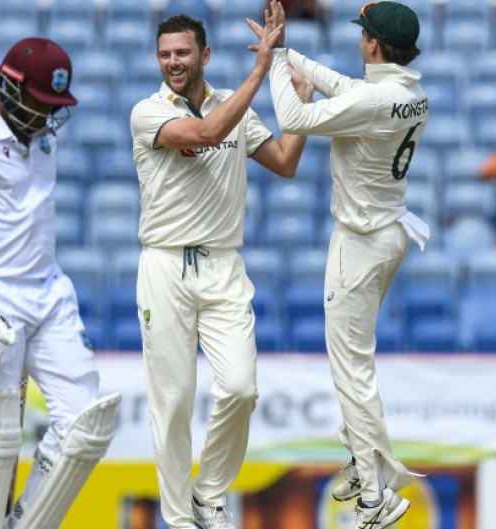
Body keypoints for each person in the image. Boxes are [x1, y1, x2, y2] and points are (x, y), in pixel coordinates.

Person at [130, 8, 307, 529]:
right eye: (165, 54)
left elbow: (285, 161)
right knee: (174, 399)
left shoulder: (236, 106)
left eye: (182, 53)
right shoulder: (147, 111)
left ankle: (209, 495)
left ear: (204, 55)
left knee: (241, 388)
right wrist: (263, 70)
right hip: (164, 264)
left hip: (224, 266)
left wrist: (302, 102)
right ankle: (180, 518)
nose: (173, 62)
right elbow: (207, 133)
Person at [259, 1, 429, 527]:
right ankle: (362, 461)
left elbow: (292, 118)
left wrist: (272, 66)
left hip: (359, 244)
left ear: (373, 46)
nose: (359, 40)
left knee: (352, 367)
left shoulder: (377, 101)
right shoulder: (410, 93)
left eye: (364, 35)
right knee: (352, 363)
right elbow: (346, 88)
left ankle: (378, 495)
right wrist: (287, 51)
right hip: (387, 234)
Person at [0, 37, 120, 529]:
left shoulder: (45, 137)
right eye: (44, 102)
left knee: (85, 424)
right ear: (10, 88)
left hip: (50, 295)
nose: (50, 115)